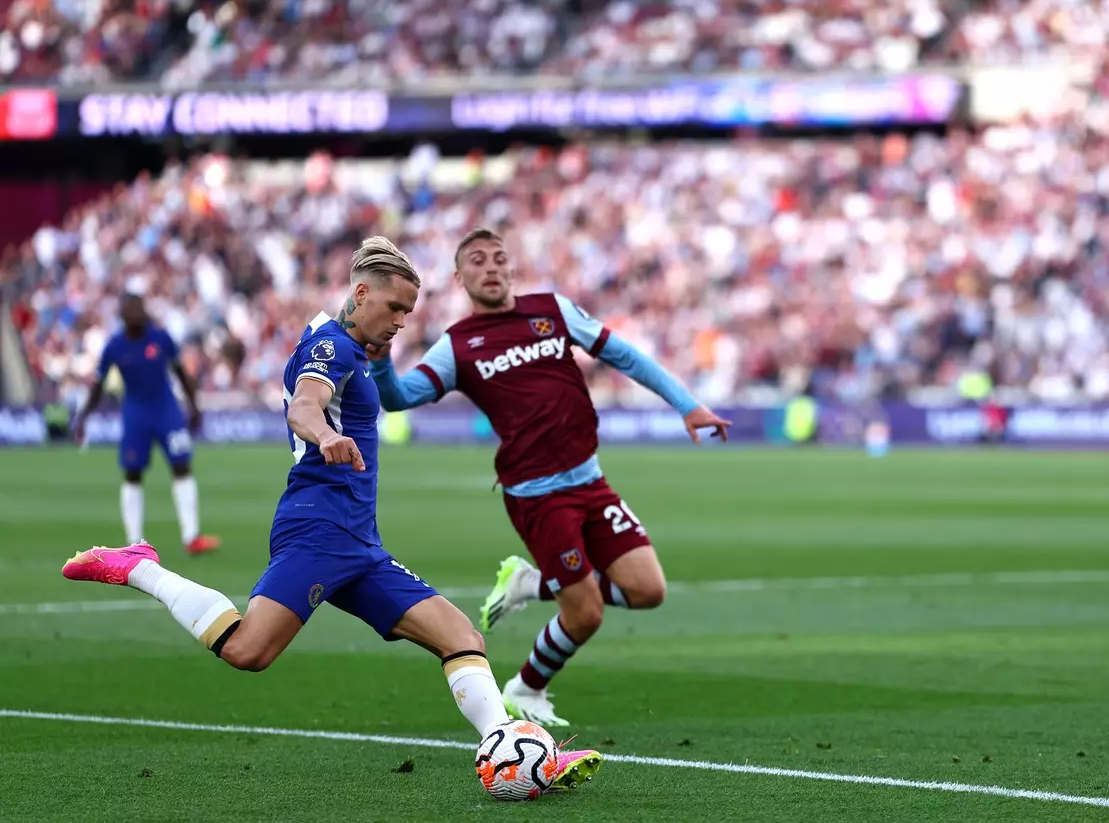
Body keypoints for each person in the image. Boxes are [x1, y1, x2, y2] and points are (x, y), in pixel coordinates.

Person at [61, 237, 603, 790]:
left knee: (459, 634)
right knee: (249, 650)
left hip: (359, 542)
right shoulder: (332, 347)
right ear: (361, 293)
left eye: (408, 313)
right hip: (316, 531)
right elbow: (305, 403)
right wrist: (325, 436)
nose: (400, 322)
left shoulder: (354, 349)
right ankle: (139, 567)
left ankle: (507, 746)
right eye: (394, 308)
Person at [370, 227, 731, 727]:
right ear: (459, 277)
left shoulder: (551, 310)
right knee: (584, 614)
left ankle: (530, 584)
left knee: (648, 589)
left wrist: (687, 405)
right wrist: (383, 360)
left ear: (510, 267)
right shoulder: (458, 346)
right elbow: (398, 397)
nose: (491, 267)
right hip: (538, 497)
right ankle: (525, 687)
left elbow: (621, 354)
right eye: (477, 260)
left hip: (590, 480)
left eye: (499, 257)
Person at [74, 293, 219, 554]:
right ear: (122, 315)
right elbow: (97, 385)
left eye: (140, 308)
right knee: (132, 473)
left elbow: (180, 373)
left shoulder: (161, 338)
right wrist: (84, 416)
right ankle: (134, 543)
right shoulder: (114, 346)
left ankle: (192, 537)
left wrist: (194, 405)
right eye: (132, 310)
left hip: (167, 411)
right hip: (136, 415)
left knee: (182, 465)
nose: (138, 314)